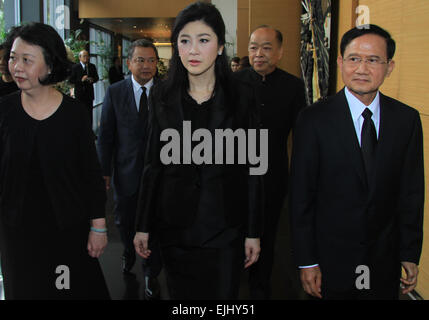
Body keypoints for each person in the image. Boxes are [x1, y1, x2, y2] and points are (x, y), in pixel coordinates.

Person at [133, 1, 263, 300]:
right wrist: (143, 225)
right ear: (177, 46)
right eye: (185, 41)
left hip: (226, 228)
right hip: (175, 226)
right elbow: (152, 163)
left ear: (219, 46)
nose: (193, 50)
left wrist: (254, 231)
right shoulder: (162, 95)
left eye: (203, 40)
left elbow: (255, 168)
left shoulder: (242, 96)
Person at [290, 24, 424, 300]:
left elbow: (411, 192)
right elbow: (301, 196)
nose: (362, 68)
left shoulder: (406, 120)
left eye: (373, 60)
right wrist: (307, 260)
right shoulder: (313, 119)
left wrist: (410, 252)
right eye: (354, 59)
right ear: (340, 63)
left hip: (383, 261)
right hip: (330, 260)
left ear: (389, 67)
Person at [0, 22, 110, 300]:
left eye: (27, 59)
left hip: (66, 228)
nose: (17, 67)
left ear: (49, 66)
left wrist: (98, 226)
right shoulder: (5, 111)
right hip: (16, 232)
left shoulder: (73, 114)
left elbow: (90, 173)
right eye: (13, 58)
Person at [234, 25, 306, 299]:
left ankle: (260, 286)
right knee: (235, 227)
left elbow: (301, 137)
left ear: (279, 52)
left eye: (266, 47)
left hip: (273, 174)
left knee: (267, 233)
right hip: (236, 173)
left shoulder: (293, 86)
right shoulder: (234, 82)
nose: (258, 53)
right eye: (253, 47)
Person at [97, 39, 163, 300]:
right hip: (125, 173)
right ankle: (127, 250)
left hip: (159, 175)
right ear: (129, 63)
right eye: (140, 60)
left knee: (155, 223)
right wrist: (104, 172)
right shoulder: (115, 92)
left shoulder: (166, 92)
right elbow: (106, 136)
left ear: (157, 64)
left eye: (151, 61)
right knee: (124, 221)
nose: (146, 66)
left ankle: (150, 272)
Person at [69, 49, 99, 128]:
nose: (86, 58)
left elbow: (97, 78)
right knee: (80, 114)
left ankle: (90, 132)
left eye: (87, 56)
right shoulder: (75, 67)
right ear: (80, 57)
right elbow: (71, 80)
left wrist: (92, 80)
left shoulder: (92, 66)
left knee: (89, 114)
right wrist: (81, 80)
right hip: (79, 95)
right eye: (84, 56)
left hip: (89, 94)